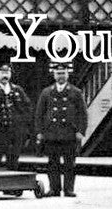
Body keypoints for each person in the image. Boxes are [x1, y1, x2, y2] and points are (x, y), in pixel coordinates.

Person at [34, 62, 87, 197]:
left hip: (69, 133)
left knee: (69, 163)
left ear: (67, 74)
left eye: (63, 73)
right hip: (51, 133)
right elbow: (40, 113)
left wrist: (81, 131)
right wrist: (39, 131)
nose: (61, 76)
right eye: (58, 73)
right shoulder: (47, 92)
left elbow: (82, 113)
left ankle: (68, 189)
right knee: (53, 163)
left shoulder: (75, 92)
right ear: (54, 75)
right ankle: (54, 189)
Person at [0, 63, 32, 193]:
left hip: (15, 129)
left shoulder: (17, 89)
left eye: (7, 73)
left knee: (13, 157)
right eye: (2, 73)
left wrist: (24, 124)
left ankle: (11, 187)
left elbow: (27, 107)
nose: (5, 75)